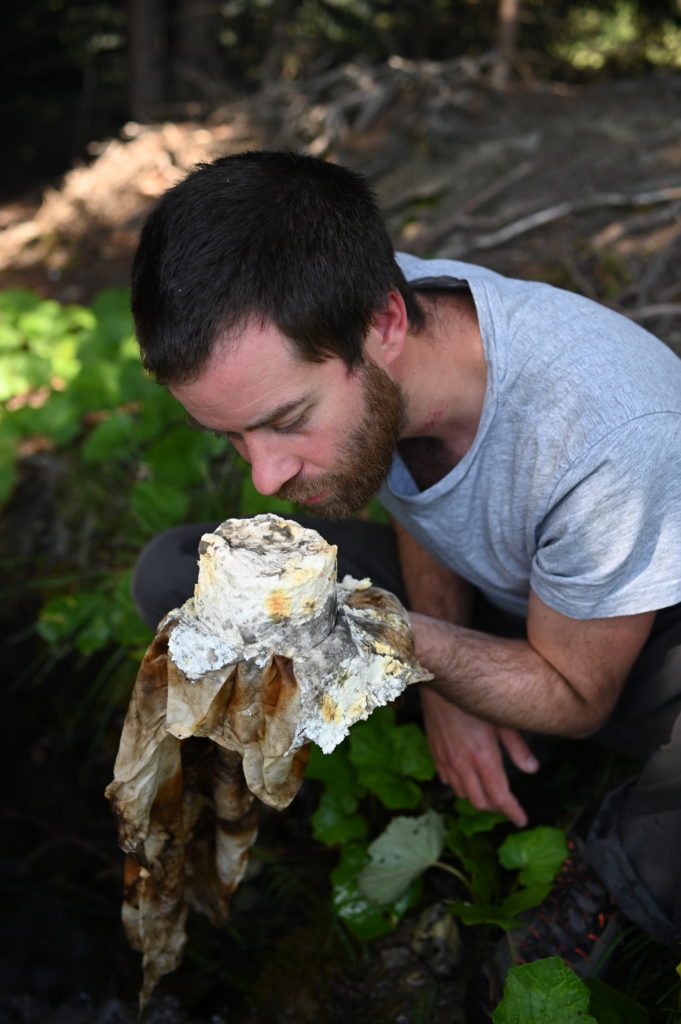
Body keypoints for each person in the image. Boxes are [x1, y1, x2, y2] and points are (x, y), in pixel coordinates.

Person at [129, 150, 681, 1012]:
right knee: (182, 579)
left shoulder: (605, 431)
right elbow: (421, 496)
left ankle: (611, 879)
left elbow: (580, 694)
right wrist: (450, 684)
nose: (264, 475)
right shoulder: (362, 318)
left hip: (629, 651)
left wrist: (397, 639)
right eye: (232, 438)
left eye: (284, 423)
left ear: (385, 322)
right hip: (503, 610)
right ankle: (393, 760)